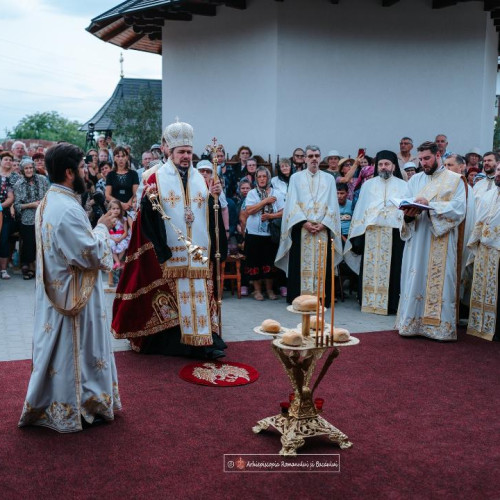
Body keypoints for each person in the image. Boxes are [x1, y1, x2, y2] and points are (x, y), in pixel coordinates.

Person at [18, 143, 121, 432]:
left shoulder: (50, 200)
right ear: (68, 172)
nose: (86, 171)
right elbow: (90, 254)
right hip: (75, 296)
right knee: (74, 351)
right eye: (81, 167)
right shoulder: (67, 208)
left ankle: (60, 401)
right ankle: (81, 404)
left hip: (58, 290)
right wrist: (101, 227)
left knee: (58, 352)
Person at [111, 120, 228, 359]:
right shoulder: (154, 178)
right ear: (170, 152)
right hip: (170, 254)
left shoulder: (200, 180)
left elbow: (208, 214)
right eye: (181, 152)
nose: (186, 156)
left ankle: (205, 341)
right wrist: (160, 250)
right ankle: (181, 344)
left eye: (188, 152)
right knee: (176, 300)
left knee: (200, 296)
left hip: (198, 254)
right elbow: (147, 218)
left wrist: (214, 198)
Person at [396, 141, 466, 341]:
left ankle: (438, 328)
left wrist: (431, 204)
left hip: (440, 239)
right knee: (415, 275)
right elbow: (403, 205)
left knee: (441, 279)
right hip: (417, 238)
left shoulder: (455, 180)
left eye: (427, 158)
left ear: (438, 156)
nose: (423, 163)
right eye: (420, 159)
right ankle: (411, 323)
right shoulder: (415, 180)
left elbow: (459, 209)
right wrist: (408, 216)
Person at [275, 145, 342, 306]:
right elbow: (292, 204)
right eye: (310, 156)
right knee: (299, 264)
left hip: (322, 229)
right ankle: (298, 298)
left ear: (320, 158)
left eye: (317, 156)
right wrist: (304, 223)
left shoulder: (329, 179)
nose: (314, 159)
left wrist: (324, 224)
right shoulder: (296, 178)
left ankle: (321, 299)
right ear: (305, 159)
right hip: (302, 229)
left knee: (322, 264)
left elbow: (333, 204)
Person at [344, 150, 409, 315]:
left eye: (387, 164)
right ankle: (369, 300)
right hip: (372, 234)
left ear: (394, 166)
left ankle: (392, 303)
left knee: (394, 268)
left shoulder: (404, 185)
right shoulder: (368, 185)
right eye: (380, 164)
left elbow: (406, 210)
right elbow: (361, 210)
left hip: (394, 235)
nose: (383, 167)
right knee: (370, 267)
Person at [466, 163, 500, 341]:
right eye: (499, 170)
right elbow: (480, 220)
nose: (499, 174)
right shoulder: (488, 195)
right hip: (484, 249)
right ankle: (480, 326)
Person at [244, 166, 284, 300]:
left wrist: (270, 217)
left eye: (264, 176)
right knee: (254, 262)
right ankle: (257, 291)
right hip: (253, 234)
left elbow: (284, 212)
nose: (262, 179)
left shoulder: (277, 193)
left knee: (269, 263)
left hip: (270, 235)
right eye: (259, 177)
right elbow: (249, 211)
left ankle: (269, 290)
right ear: (256, 179)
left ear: (268, 178)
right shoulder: (252, 193)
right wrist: (265, 201)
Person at [13, 157, 49, 279]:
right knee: (29, 243)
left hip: (44, 216)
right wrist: (31, 205)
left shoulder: (43, 180)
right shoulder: (18, 184)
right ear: (22, 170)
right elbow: (17, 206)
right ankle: (29, 266)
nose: (29, 170)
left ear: (34, 168)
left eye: (30, 168)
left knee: (44, 242)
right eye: (26, 168)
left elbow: (50, 196)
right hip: (27, 219)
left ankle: (42, 268)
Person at [0, 151, 19, 280]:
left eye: (10, 160)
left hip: (6, 212)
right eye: (5, 159)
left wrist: (1, 206)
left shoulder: (14, 177)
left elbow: (11, 197)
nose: (8, 161)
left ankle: (3, 270)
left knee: (4, 240)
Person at [105, 146, 139, 216]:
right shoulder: (110, 175)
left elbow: (136, 193)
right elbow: (107, 195)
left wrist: (128, 204)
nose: (120, 159)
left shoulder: (133, 174)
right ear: (114, 158)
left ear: (127, 157)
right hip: (115, 210)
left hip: (130, 208)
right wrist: (120, 204)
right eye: (118, 156)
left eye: (123, 156)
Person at [108, 200, 130, 269]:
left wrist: (120, 239)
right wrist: (114, 239)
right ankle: (117, 262)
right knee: (111, 245)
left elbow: (125, 232)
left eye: (118, 208)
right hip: (111, 237)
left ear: (121, 209)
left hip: (121, 236)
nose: (116, 210)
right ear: (110, 210)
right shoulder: (108, 219)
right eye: (113, 209)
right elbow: (106, 232)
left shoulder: (123, 219)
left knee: (124, 244)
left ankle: (117, 262)